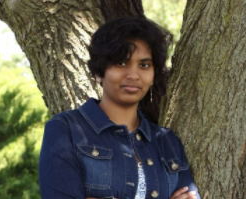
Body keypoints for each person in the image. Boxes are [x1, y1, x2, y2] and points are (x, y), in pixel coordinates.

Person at [39, 17, 200, 199]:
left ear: (153, 75)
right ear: (99, 72)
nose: (133, 75)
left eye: (144, 65)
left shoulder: (168, 142)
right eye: (121, 63)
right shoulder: (65, 129)